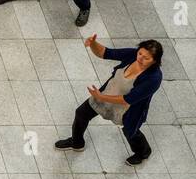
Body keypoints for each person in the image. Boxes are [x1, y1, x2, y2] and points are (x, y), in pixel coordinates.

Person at [55, 36, 163, 166]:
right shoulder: (132, 55)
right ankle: (76, 142)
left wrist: (100, 97)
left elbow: (128, 99)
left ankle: (143, 152)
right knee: (81, 113)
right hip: (109, 93)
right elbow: (106, 53)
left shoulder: (154, 78)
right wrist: (93, 44)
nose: (140, 58)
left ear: (154, 61)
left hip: (128, 108)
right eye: (140, 53)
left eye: (146, 58)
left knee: (131, 132)